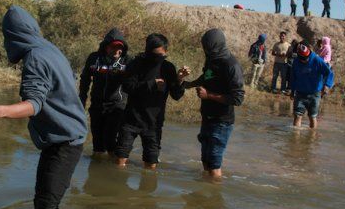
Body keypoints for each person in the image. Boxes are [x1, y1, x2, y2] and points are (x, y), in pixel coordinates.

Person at [0, 6, 87, 209]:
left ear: (12, 35)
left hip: (65, 141)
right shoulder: (50, 49)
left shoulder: (35, 57)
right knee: (41, 203)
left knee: (47, 207)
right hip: (65, 136)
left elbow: (33, 105)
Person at [114, 33, 189, 170]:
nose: (157, 59)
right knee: (120, 161)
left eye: (161, 55)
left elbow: (176, 95)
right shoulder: (136, 64)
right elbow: (127, 87)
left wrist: (179, 80)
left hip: (154, 124)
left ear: (166, 52)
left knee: (151, 164)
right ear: (148, 51)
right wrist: (150, 84)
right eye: (154, 55)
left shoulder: (168, 68)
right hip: (131, 120)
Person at [183, 29, 244, 179]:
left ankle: (215, 196)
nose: (206, 51)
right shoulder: (211, 59)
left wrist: (208, 95)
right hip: (207, 117)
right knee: (205, 159)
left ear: (217, 46)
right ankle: (204, 194)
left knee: (215, 163)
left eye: (208, 48)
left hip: (222, 121)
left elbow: (237, 99)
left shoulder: (231, 66)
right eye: (205, 48)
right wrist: (187, 84)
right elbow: (206, 77)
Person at [80, 28, 131, 156]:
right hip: (97, 105)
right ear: (106, 47)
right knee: (97, 143)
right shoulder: (94, 58)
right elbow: (85, 79)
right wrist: (81, 99)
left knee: (109, 139)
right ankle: (97, 169)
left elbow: (134, 83)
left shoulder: (128, 61)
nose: (117, 50)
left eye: (120, 47)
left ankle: (113, 165)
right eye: (113, 47)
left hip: (117, 106)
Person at [290, 41, 334, 129]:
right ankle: (295, 139)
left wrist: (327, 85)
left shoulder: (317, 60)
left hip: (314, 93)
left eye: (306, 58)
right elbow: (293, 77)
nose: (304, 60)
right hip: (300, 93)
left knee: (312, 117)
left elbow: (329, 73)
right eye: (302, 59)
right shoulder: (296, 62)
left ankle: (312, 139)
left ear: (309, 53)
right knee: (297, 116)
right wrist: (292, 90)